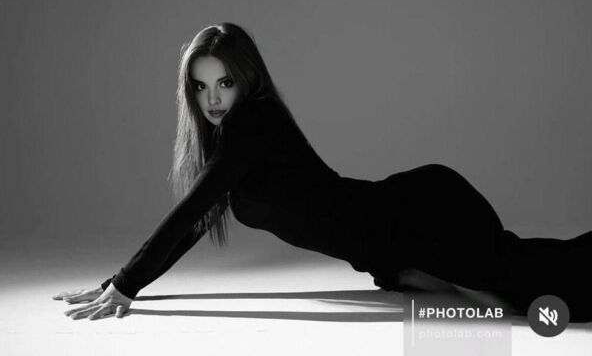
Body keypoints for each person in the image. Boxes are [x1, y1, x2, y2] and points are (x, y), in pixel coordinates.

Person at [53, 22, 592, 322]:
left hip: (420, 215)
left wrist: (125, 284)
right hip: (392, 247)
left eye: (225, 83)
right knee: (506, 287)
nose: (213, 99)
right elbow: (197, 221)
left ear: (247, 79)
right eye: (200, 86)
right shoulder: (234, 140)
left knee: (529, 290)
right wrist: (118, 284)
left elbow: (192, 206)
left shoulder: (255, 119)